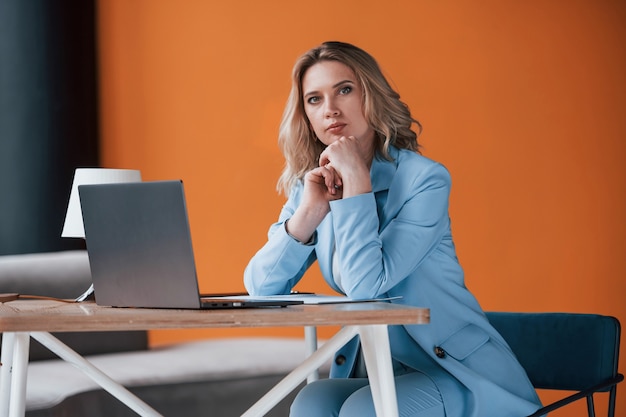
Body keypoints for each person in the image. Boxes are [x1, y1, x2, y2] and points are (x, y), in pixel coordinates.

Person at [244, 41, 542, 417]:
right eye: (314, 99)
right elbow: (260, 287)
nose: (331, 109)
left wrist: (356, 182)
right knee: (312, 400)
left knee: (363, 410)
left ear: (372, 95)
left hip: (456, 371)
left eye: (345, 90)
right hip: (383, 369)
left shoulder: (425, 180)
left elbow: (366, 287)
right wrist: (308, 213)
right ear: (304, 114)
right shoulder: (313, 186)